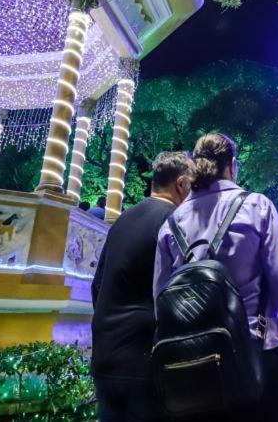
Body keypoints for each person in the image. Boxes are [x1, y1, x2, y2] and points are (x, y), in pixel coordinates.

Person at [153, 133, 278, 420]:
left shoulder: (171, 223)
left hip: (195, 368)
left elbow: (160, 297)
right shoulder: (257, 207)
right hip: (259, 355)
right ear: (233, 166)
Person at [91, 152, 193, 422]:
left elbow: (97, 285)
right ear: (181, 184)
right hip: (144, 361)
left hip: (106, 356)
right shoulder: (174, 221)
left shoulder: (123, 220)